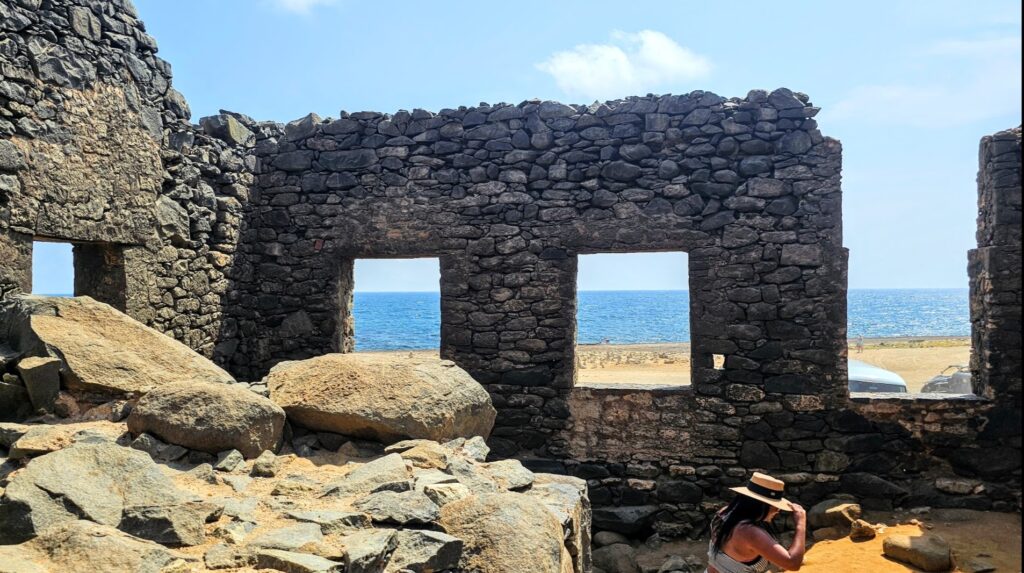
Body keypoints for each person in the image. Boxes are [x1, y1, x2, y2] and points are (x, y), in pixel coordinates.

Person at [706, 472, 807, 573]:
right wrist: (801, 524)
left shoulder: (724, 513)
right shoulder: (750, 533)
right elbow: (793, 564)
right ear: (762, 505)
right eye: (775, 506)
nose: (778, 511)